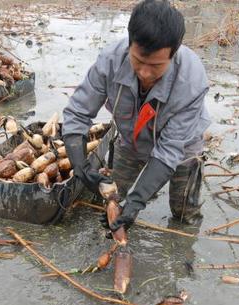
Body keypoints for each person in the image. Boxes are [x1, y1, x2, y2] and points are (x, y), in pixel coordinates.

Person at [62, 0, 210, 232]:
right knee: (112, 197)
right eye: (138, 61)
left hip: (182, 147)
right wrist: (80, 167)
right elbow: (77, 113)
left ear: (174, 54)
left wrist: (137, 201)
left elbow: (169, 149)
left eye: (156, 66)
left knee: (184, 213)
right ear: (130, 43)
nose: (144, 72)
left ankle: (184, 257)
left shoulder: (191, 80)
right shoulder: (110, 60)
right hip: (131, 139)